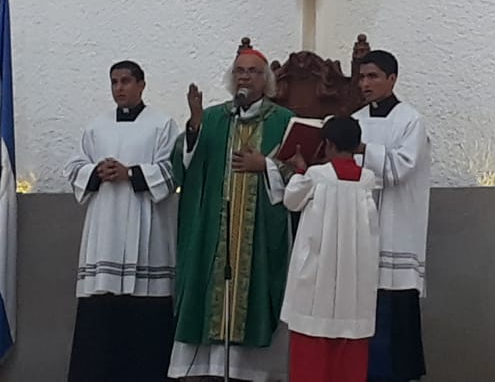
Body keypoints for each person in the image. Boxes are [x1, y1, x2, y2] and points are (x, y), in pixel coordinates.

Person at [168, 45, 295, 381]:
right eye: (239, 70)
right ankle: (210, 368)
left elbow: (300, 171)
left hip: (260, 234)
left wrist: (264, 165)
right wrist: (194, 128)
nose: (244, 76)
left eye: (253, 71)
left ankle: (250, 372)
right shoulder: (211, 117)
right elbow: (184, 166)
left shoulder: (284, 121)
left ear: (265, 80)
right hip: (214, 228)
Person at [64, 60, 179, 381]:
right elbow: (74, 166)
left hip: (147, 234)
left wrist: (129, 173)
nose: (119, 88)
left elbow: (172, 172)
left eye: (126, 81)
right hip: (104, 237)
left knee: (145, 324)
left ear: (142, 85)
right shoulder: (95, 128)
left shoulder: (162, 125)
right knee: (99, 323)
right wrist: (95, 172)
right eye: (114, 82)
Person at [352, 50, 432, 382]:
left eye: (373, 76)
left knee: (393, 329)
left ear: (392, 79)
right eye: (362, 77)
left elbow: (400, 169)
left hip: (397, 234)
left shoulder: (410, 120)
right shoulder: (354, 120)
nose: (365, 83)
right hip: (359, 235)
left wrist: (361, 151)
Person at [281, 116, 379, 382]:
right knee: (348, 363)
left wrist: (300, 169)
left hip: (316, 284)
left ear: (328, 145)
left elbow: (291, 200)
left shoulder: (317, 176)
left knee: (310, 362)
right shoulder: (367, 180)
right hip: (354, 289)